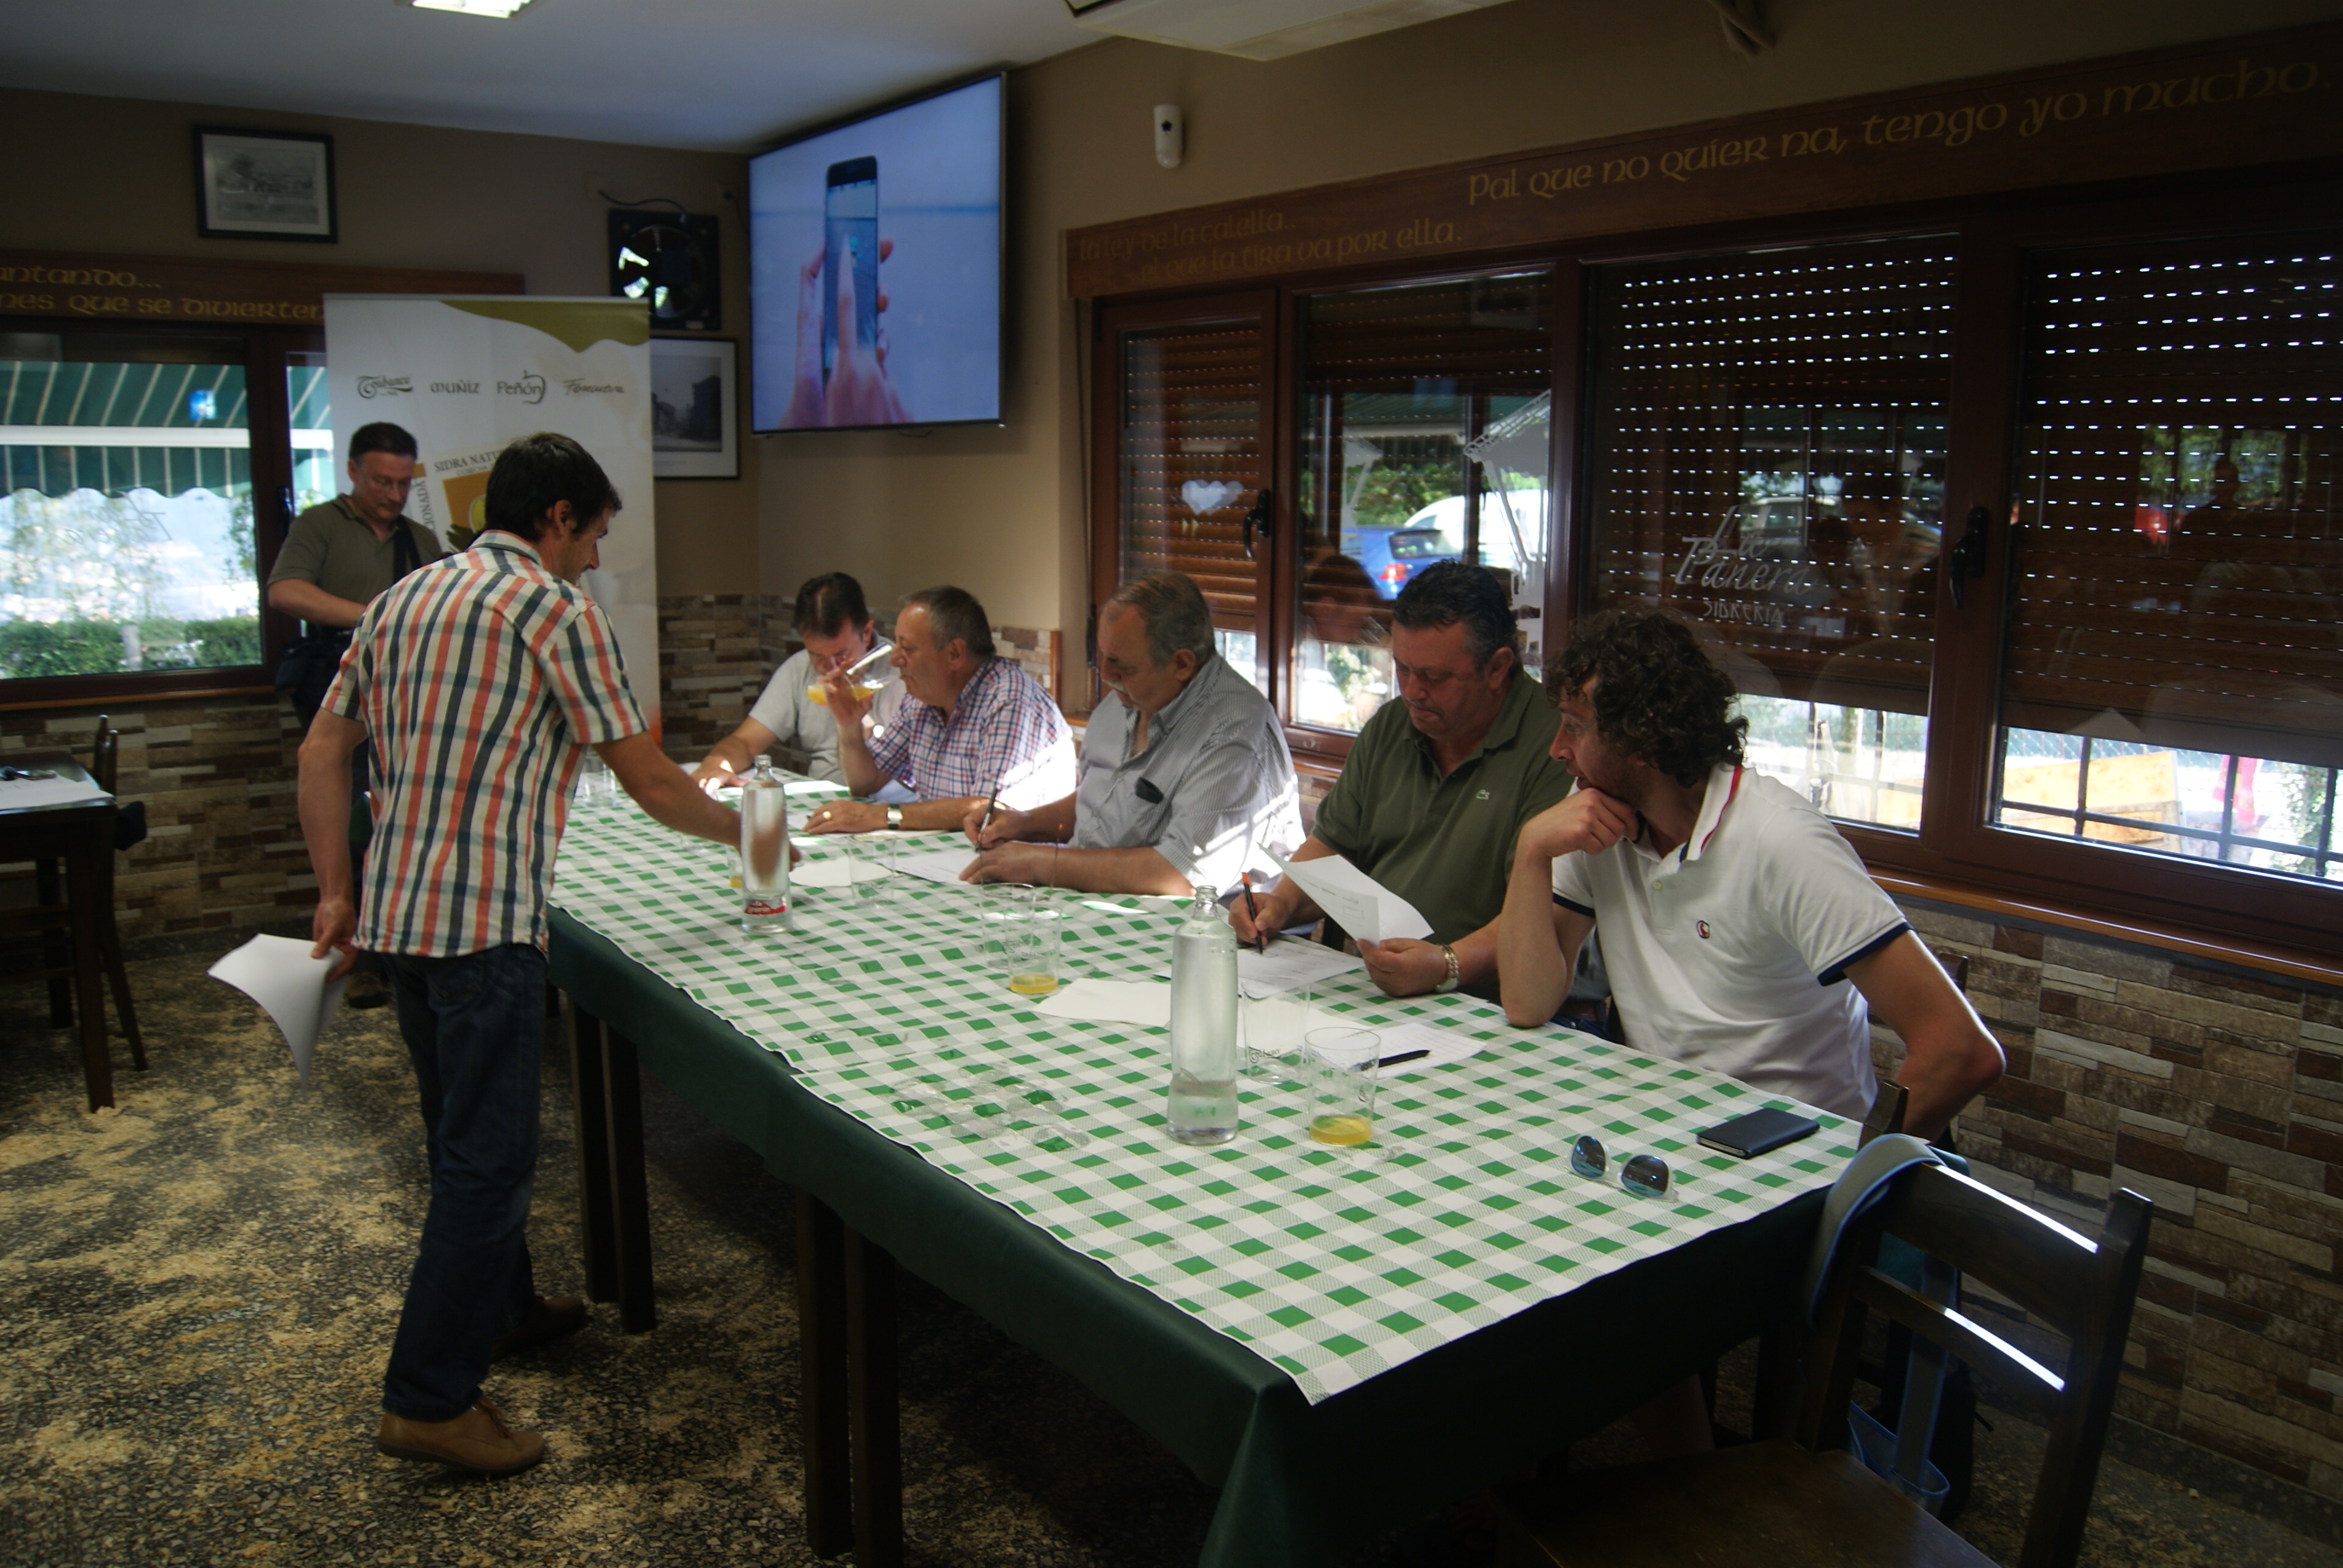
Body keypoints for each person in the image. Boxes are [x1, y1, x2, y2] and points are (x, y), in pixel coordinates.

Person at [298, 433, 742, 1477]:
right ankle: (429, 1399)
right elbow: (652, 782)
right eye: (594, 534)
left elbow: (322, 750)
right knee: (488, 1164)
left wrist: (333, 889)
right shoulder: (555, 610)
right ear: (557, 519)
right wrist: (756, 837)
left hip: (398, 923)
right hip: (481, 929)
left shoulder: (402, 599)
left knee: (458, 1136)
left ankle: (501, 1307)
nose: (595, 556)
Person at [1494, 608, 2003, 1456]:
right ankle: (1676, 1477)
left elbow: (1962, 1050)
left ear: (1641, 739)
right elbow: (1527, 1001)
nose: (1556, 748)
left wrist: (1848, 1189)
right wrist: (1528, 853)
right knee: (1529, 1222)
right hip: (1674, 1136)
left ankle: (1690, 1487)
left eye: (1575, 726)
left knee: (1615, 1286)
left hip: (1791, 1168)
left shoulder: (1778, 840)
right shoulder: (1599, 826)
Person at [1230, 561, 1571, 999]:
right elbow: (1333, 848)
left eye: (1434, 677)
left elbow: (1550, 912)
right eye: (1402, 669)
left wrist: (1447, 964)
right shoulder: (1393, 725)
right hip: (1373, 982)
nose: (1412, 691)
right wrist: (1281, 904)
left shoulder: (1558, 747)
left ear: (1497, 668)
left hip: (1492, 1002)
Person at [962, 570, 1302, 894]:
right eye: (1103, 656)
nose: (1105, 674)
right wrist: (1023, 823)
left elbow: (1185, 876)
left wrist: (1042, 864)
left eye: (1122, 666)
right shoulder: (1128, 699)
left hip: (1201, 922)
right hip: (1094, 900)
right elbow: (1101, 803)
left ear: (1182, 664)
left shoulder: (1234, 729)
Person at [267, 420, 443, 1008]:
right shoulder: (319, 525)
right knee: (352, 817)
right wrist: (372, 616)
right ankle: (361, 954)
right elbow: (285, 591)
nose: (393, 495)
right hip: (336, 685)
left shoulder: (420, 539)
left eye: (402, 483)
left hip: (408, 695)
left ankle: (402, 946)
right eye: (381, 482)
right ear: (352, 471)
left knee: (398, 817)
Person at [802, 585, 1075, 834]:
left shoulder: (1009, 700)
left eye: (907, 648)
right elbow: (867, 782)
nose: (895, 659)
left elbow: (989, 811)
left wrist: (882, 815)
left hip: (1011, 864)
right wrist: (849, 726)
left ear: (955, 654)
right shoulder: (922, 698)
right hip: (943, 854)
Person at [689, 572, 904, 789]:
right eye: (817, 655)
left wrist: (853, 725)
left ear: (866, 633)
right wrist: (718, 764)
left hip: (884, 801)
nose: (830, 668)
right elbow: (745, 742)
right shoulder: (800, 669)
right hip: (822, 795)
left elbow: (873, 784)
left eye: (841, 655)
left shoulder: (903, 676)